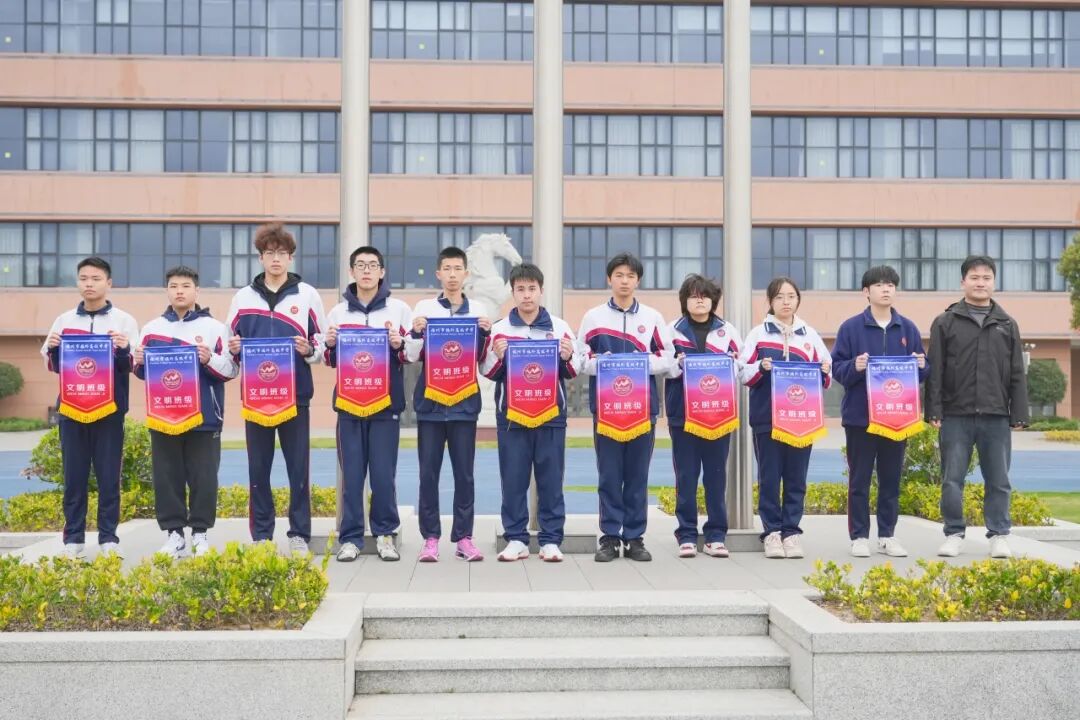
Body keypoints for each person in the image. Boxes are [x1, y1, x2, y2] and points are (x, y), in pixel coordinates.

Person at [226, 223, 327, 554]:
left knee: (298, 469)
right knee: (258, 469)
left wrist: (309, 350)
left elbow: (322, 344)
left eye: (282, 253)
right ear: (260, 258)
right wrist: (235, 349)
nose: (276, 259)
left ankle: (299, 534)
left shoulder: (307, 295)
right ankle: (261, 536)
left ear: (291, 257)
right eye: (269, 253)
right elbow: (229, 344)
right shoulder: (242, 297)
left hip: (296, 396)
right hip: (256, 397)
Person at [925, 255, 1029, 559]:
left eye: (986, 278)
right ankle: (954, 533)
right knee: (951, 479)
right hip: (955, 415)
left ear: (993, 283)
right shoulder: (945, 322)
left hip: (995, 415)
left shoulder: (1007, 324)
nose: (980, 283)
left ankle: (999, 535)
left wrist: (1019, 413)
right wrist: (934, 410)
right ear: (963, 282)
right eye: (974, 277)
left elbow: (1016, 372)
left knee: (999, 480)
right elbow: (935, 370)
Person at [481, 263, 583, 563]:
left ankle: (551, 540)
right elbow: (487, 370)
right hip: (512, 417)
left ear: (541, 291)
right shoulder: (500, 329)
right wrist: (498, 357)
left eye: (532, 289)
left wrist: (567, 357)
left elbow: (574, 369)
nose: (527, 295)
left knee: (551, 480)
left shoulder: (559, 327)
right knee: (513, 480)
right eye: (520, 289)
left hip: (551, 414)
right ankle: (516, 539)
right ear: (513, 293)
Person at [133, 266, 237, 558]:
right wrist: (138, 361)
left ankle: (200, 534)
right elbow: (141, 371)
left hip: (204, 418)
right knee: (167, 477)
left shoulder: (214, 328)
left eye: (186, 286)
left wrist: (209, 358)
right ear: (167, 291)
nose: (179, 291)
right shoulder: (152, 329)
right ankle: (174, 534)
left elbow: (232, 369)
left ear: (197, 291)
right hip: (164, 416)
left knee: (204, 478)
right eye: (174, 286)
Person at [41, 257, 139, 559]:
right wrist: (54, 348)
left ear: (108, 283)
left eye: (96, 279)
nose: (89, 284)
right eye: (84, 278)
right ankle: (73, 539)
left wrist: (124, 348)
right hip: (72, 410)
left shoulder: (124, 321)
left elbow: (134, 364)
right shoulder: (64, 321)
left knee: (109, 477)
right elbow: (52, 364)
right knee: (74, 477)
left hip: (109, 411)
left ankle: (109, 538)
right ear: (77, 282)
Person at [578, 252, 674, 562]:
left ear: (638, 281)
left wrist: (640, 363)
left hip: (642, 410)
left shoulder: (652, 317)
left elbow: (668, 358)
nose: (624, 281)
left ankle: (634, 538)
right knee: (608, 476)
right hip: (607, 411)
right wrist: (604, 365)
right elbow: (580, 360)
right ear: (609, 279)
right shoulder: (593, 317)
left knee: (637, 476)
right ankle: (609, 538)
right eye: (619, 275)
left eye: (630, 276)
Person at [831, 265, 927, 559]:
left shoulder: (907, 328)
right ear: (866, 291)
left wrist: (922, 365)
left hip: (897, 417)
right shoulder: (850, 328)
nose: (886, 289)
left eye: (891, 285)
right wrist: (855, 366)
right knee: (859, 480)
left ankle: (887, 535)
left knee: (891, 480)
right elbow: (837, 369)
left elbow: (923, 371)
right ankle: (859, 536)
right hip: (860, 418)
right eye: (879, 285)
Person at [323, 246, 411, 562]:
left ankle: (385, 535)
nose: (366, 271)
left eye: (372, 265)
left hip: (385, 405)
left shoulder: (399, 310)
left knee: (383, 476)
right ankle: (351, 538)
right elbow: (328, 359)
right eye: (360, 265)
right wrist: (330, 344)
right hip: (349, 405)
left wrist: (399, 343)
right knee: (352, 476)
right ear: (352, 272)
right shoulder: (338, 313)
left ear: (382, 272)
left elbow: (413, 352)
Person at [405, 246, 491, 562]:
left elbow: (484, 361)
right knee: (428, 474)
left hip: (464, 404)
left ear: (466, 274)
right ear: (438, 274)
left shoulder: (478, 310)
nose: (453, 275)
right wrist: (415, 332)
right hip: (430, 404)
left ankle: (464, 538)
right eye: (447, 269)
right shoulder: (425, 308)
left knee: (464, 475)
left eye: (458, 269)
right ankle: (430, 538)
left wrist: (486, 334)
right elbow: (411, 355)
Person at [738, 277, 831, 559]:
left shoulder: (809, 335)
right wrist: (761, 366)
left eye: (791, 296)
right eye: (779, 297)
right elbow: (742, 372)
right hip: (767, 419)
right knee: (769, 478)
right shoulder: (758, 334)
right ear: (770, 301)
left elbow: (827, 370)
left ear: (798, 300)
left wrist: (824, 370)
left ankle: (791, 532)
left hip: (802, 419)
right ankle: (772, 533)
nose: (786, 302)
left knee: (796, 479)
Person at [666, 274, 742, 559]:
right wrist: (677, 364)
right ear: (684, 301)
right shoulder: (671, 331)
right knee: (686, 476)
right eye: (693, 296)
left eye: (705, 296)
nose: (699, 301)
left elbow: (743, 365)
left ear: (713, 300)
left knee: (716, 477)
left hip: (718, 415)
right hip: (683, 416)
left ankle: (715, 536)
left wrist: (731, 364)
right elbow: (662, 364)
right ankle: (686, 535)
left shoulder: (727, 331)